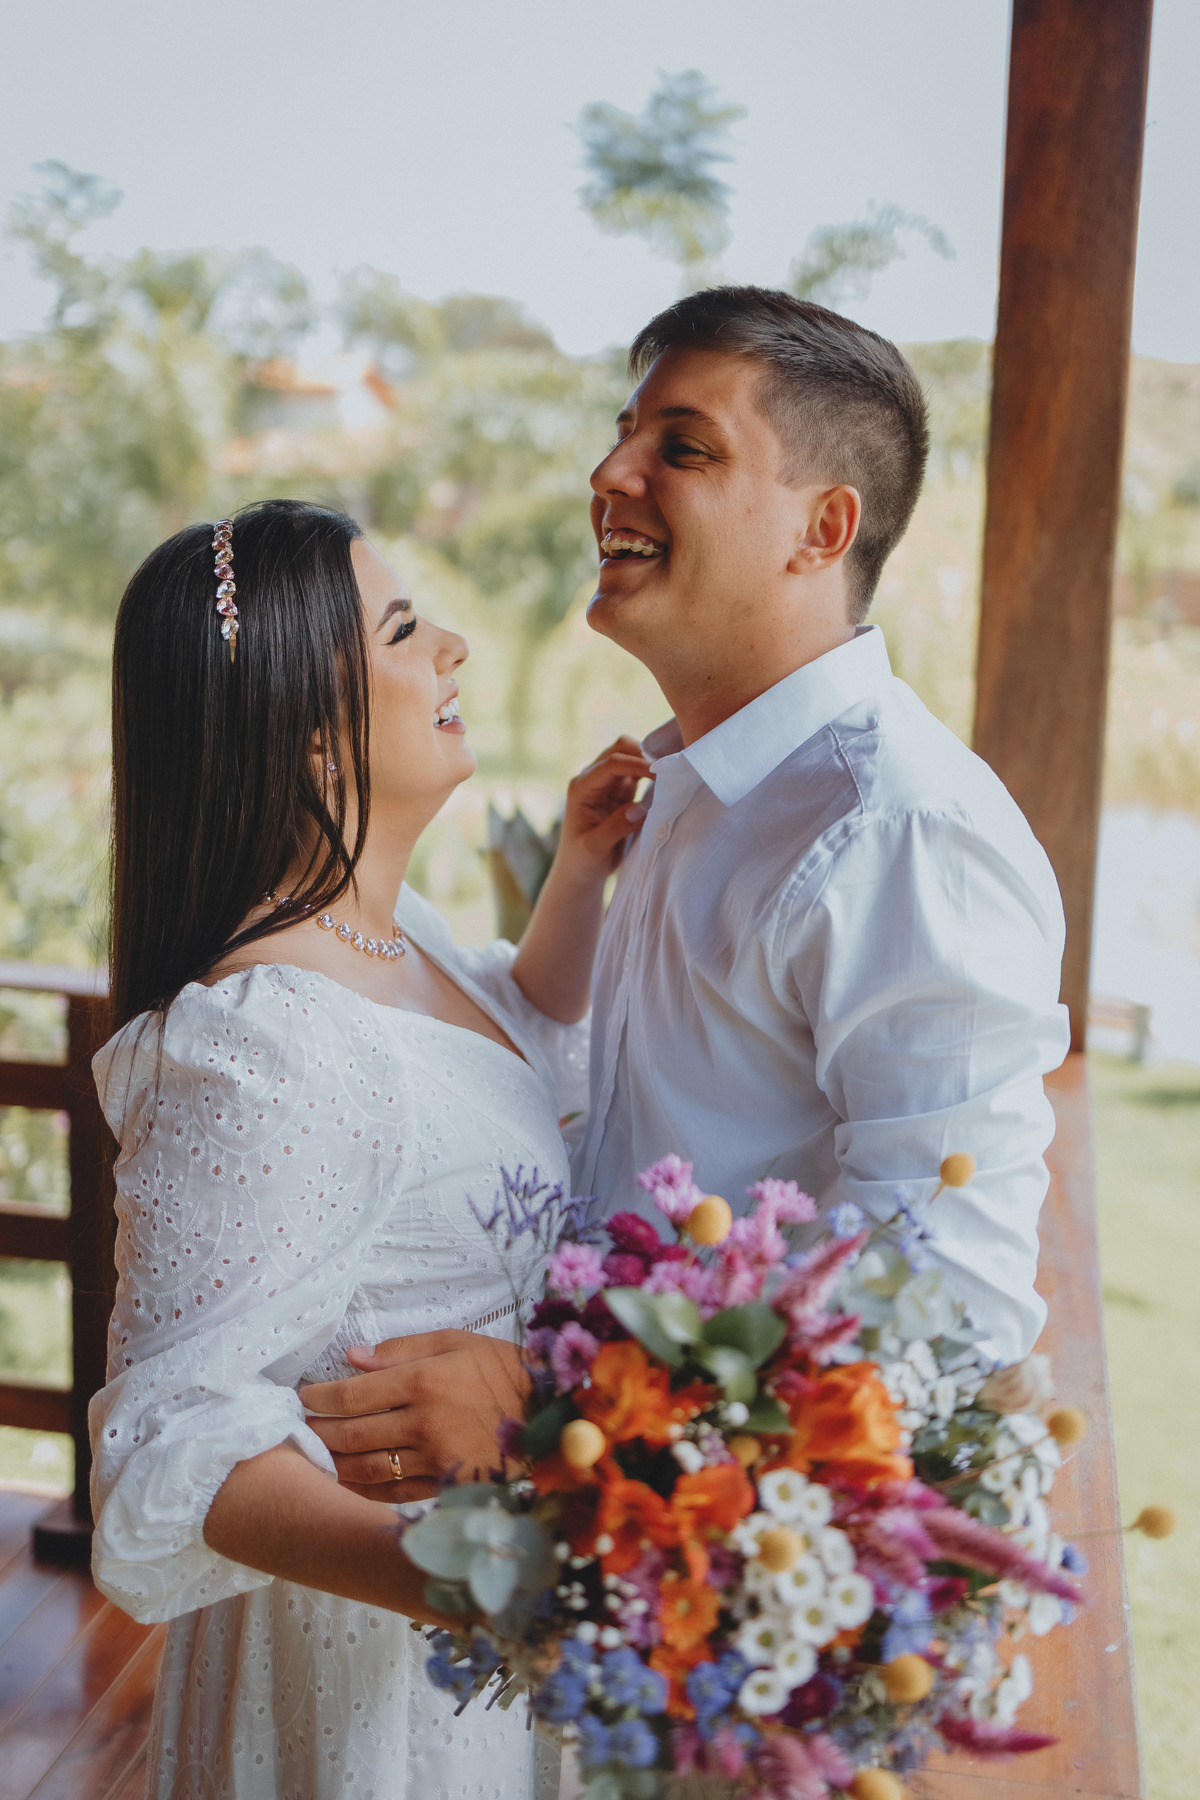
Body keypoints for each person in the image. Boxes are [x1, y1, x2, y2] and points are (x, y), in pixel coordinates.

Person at [313, 288, 1069, 1503]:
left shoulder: (898, 833)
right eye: (624, 434)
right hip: (577, 1517)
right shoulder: (693, 782)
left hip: (720, 1536)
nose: (610, 474)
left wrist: (553, 1403)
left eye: (685, 447)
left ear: (823, 528)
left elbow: (944, 1310)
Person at [89, 498, 650, 1800]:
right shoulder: (269, 1047)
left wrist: (577, 871)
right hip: (379, 1673)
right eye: (402, 630)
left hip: (499, 1603)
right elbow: (170, 1440)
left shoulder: (402, 941)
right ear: (309, 733)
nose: (451, 644)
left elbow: (501, 1053)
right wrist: (467, 1585)